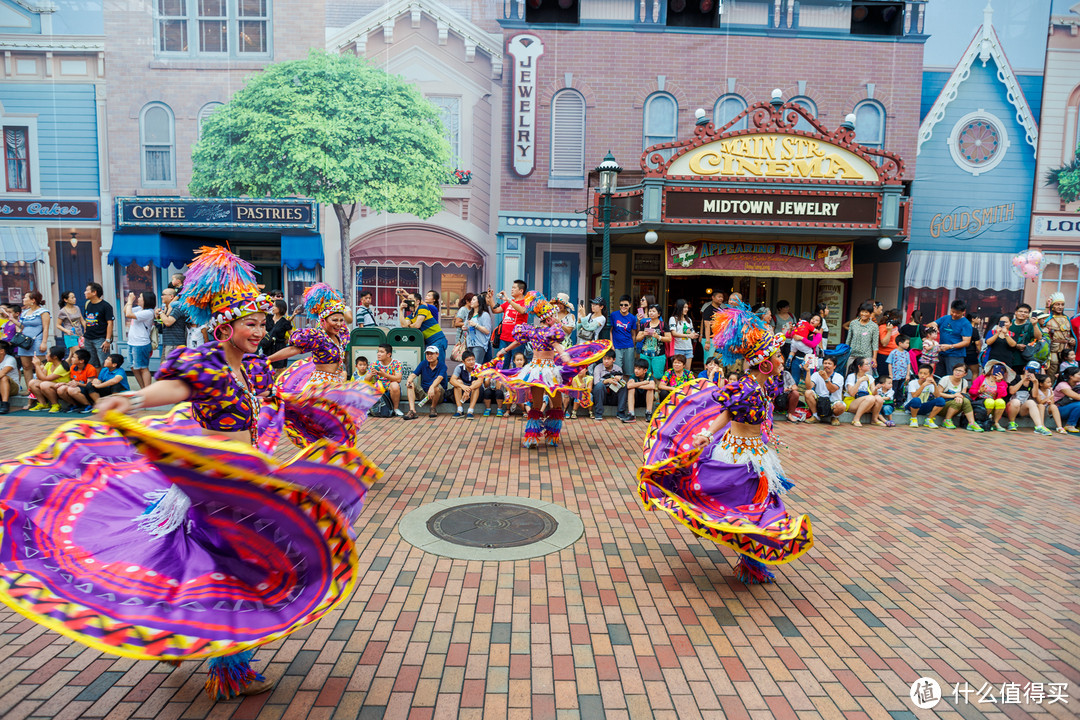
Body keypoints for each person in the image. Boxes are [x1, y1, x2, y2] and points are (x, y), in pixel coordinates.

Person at [0, 246, 379, 701]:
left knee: (213, 569)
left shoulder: (256, 369)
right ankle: (230, 669)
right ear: (225, 328)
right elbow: (174, 388)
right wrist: (133, 400)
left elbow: (272, 408)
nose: (260, 332)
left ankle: (176, 637)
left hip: (246, 482)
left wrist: (324, 408)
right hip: (212, 489)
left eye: (262, 323)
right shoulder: (204, 363)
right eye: (250, 325)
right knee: (231, 575)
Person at [639, 303, 813, 584]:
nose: (781, 359)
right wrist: (707, 433)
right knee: (742, 505)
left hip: (758, 455)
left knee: (758, 506)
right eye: (777, 356)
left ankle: (751, 563)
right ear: (766, 363)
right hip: (737, 454)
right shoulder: (743, 387)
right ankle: (716, 529)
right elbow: (727, 412)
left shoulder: (765, 386)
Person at [487, 295, 608, 445]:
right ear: (548, 318)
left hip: (536, 371)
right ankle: (551, 437)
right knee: (556, 405)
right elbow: (558, 347)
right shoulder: (550, 332)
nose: (554, 318)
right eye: (552, 316)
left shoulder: (532, 331)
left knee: (536, 405)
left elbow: (518, 341)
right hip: (548, 372)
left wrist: (504, 350)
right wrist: (566, 358)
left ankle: (532, 438)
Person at [268, 284, 349, 390]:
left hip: (337, 384)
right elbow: (293, 350)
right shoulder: (319, 337)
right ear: (323, 321)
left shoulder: (341, 335)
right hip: (321, 386)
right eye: (334, 320)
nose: (339, 324)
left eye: (341, 320)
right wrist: (268, 359)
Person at [985, 304, 1041, 375]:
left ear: (1028, 314)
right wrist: (1016, 345)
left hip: (1022, 359)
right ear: (1016, 312)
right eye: (1020, 311)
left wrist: (1035, 325)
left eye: (1025, 312)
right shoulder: (1008, 323)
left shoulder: (1031, 324)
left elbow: (1039, 338)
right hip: (1005, 357)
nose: (1023, 313)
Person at [63, 351, 128, 412]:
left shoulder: (120, 371)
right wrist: (96, 381)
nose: (105, 360)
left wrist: (99, 385)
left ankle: (114, 406)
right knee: (90, 385)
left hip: (119, 392)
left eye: (108, 359)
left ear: (114, 364)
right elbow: (99, 380)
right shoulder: (104, 369)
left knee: (116, 385)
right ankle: (99, 406)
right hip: (107, 390)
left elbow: (114, 381)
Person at [13, 291, 51, 391]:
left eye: (25, 297)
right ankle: (30, 390)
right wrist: (12, 320)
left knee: (40, 365)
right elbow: (22, 326)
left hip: (37, 341)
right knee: (26, 366)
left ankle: (42, 388)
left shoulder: (43, 312)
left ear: (33, 300)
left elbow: (46, 328)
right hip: (24, 342)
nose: (23, 299)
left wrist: (44, 342)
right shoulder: (25, 312)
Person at [926, 300, 973, 376]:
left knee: (952, 377)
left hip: (955, 355)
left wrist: (950, 346)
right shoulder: (945, 318)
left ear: (963, 312)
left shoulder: (966, 324)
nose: (954, 314)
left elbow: (966, 342)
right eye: (952, 311)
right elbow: (929, 325)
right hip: (941, 353)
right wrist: (934, 325)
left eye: (957, 313)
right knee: (938, 377)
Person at [401, 289, 448, 364]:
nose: (409, 302)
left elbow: (417, 325)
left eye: (429, 295)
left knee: (438, 365)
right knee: (429, 365)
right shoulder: (411, 315)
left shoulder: (424, 307)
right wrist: (400, 310)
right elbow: (404, 325)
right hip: (428, 341)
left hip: (437, 339)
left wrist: (409, 326)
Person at [1006, 361, 1052, 435]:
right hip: (1011, 407)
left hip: (1022, 409)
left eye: (1033, 371)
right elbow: (1012, 391)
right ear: (1024, 368)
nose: (1030, 372)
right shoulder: (1016, 377)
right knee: (1016, 401)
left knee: (1031, 402)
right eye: (1028, 369)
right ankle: (1011, 423)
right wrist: (1023, 379)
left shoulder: (1033, 381)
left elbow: (1034, 395)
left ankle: (1039, 427)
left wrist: (1035, 383)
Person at [491, 280, 530, 368]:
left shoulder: (526, 302)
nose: (511, 289)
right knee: (503, 364)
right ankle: (502, 381)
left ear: (521, 291)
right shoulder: (509, 302)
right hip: (503, 339)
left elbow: (522, 310)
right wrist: (490, 298)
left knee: (516, 365)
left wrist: (508, 300)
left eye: (514, 288)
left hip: (517, 340)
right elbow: (495, 310)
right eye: (512, 288)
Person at [124, 291, 156, 389]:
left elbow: (129, 314)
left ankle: (148, 391)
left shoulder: (148, 312)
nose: (138, 298)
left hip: (141, 344)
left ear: (146, 300)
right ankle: (143, 389)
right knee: (134, 368)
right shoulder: (139, 309)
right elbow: (125, 311)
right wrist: (129, 302)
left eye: (140, 297)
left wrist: (130, 300)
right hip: (132, 342)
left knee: (143, 368)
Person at [937, 362, 983, 432]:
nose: (957, 372)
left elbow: (963, 395)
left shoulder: (964, 382)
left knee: (965, 400)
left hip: (955, 407)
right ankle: (947, 420)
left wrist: (960, 397)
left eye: (960, 371)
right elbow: (938, 394)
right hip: (941, 406)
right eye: (956, 370)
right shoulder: (945, 379)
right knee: (957, 401)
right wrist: (953, 395)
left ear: (965, 374)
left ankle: (971, 423)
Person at [404, 346, 447, 420]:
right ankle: (412, 411)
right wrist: (409, 380)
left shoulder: (442, 365)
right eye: (427, 354)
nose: (429, 356)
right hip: (424, 393)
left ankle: (433, 408)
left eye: (432, 353)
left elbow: (439, 378)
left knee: (437, 387)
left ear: (437, 354)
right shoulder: (423, 363)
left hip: (437, 395)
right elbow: (414, 374)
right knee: (410, 385)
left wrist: (432, 387)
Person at [26, 345, 70, 413]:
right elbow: (40, 377)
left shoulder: (61, 367)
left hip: (61, 387)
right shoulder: (49, 364)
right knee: (32, 382)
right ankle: (43, 404)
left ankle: (55, 404)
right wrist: (38, 367)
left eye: (48, 353)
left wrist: (37, 365)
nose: (46, 355)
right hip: (51, 385)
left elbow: (45, 378)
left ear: (55, 356)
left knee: (44, 384)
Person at [971, 360, 1012, 432]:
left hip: (993, 403)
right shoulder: (981, 378)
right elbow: (971, 391)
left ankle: (995, 423)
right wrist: (979, 391)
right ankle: (983, 420)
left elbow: (1003, 395)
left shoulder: (1003, 383)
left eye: (1001, 370)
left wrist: (999, 382)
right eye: (995, 368)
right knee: (990, 401)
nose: (997, 371)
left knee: (1001, 402)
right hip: (980, 402)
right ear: (991, 369)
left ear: (1004, 373)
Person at [845, 356, 885, 427]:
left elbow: (873, 393)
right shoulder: (851, 376)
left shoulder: (870, 377)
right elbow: (852, 393)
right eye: (866, 364)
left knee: (879, 398)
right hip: (852, 402)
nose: (869, 365)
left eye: (868, 364)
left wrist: (876, 389)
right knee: (871, 398)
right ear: (859, 367)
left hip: (867, 402)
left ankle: (874, 419)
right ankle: (856, 419)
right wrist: (859, 381)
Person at [365, 343, 403, 416]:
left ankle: (396, 409)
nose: (378, 354)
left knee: (395, 385)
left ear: (389, 354)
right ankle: (371, 409)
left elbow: (398, 379)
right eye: (378, 351)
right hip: (379, 388)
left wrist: (384, 375)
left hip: (391, 389)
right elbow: (366, 380)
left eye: (381, 352)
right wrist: (371, 375)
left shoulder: (396, 363)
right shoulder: (374, 364)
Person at [81, 282, 114, 368]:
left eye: (87, 290)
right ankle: (94, 380)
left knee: (105, 362)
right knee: (92, 363)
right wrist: (84, 334)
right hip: (88, 338)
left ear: (94, 292)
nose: (84, 292)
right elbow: (86, 320)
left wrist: (107, 340)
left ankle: (107, 381)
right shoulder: (87, 304)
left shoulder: (106, 306)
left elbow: (110, 323)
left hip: (100, 339)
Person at [55, 347, 97, 412]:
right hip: (77, 387)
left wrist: (78, 384)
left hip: (87, 390)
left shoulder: (90, 369)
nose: (71, 359)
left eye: (74, 357)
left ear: (81, 361)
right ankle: (74, 405)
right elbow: (73, 381)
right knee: (61, 389)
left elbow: (89, 386)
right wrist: (65, 383)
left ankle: (88, 405)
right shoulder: (73, 367)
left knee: (71, 390)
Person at [1043, 293, 1075, 378]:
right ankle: (1050, 386)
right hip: (1053, 347)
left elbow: (1071, 333)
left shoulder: (1067, 318)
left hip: (1065, 347)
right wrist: (1047, 307)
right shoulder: (1048, 318)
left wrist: (1072, 339)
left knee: (1067, 367)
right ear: (1053, 305)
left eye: (1062, 305)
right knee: (1053, 365)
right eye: (1057, 304)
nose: (1060, 307)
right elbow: (1042, 328)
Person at [591, 350, 628, 421]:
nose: (606, 361)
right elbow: (596, 382)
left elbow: (622, 382)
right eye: (604, 359)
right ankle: (598, 413)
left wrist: (619, 379)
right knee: (599, 386)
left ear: (614, 360)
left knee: (623, 385)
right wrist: (607, 381)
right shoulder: (598, 368)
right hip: (602, 396)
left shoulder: (618, 368)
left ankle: (621, 412)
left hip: (614, 395)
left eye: (608, 359)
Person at [636, 304, 670, 381]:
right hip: (645, 354)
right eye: (650, 311)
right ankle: (648, 391)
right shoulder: (645, 325)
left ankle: (657, 391)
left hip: (659, 354)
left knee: (658, 375)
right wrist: (644, 334)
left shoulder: (663, 325)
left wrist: (658, 337)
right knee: (645, 374)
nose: (651, 313)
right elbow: (637, 338)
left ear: (659, 314)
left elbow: (669, 338)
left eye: (653, 311)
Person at [788, 313, 823, 385]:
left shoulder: (818, 334)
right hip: (797, 357)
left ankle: (809, 395)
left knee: (810, 382)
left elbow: (813, 344)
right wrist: (791, 329)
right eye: (813, 319)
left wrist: (801, 338)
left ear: (819, 324)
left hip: (811, 358)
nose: (813, 321)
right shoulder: (802, 327)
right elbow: (787, 335)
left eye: (816, 320)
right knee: (794, 380)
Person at [845, 302, 878, 375]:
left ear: (870, 313)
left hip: (866, 356)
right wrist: (846, 353)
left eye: (866, 312)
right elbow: (848, 339)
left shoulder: (874, 326)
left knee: (866, 377)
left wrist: (874, 358)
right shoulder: (853, 323)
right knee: (850, 376)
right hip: (852, 355)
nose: (864, 314)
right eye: (862, 311)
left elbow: (875, 343)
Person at [157, 287, 188, 360]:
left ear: (171, 297)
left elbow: (168, 322)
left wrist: (161, 313)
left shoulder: (177, 308)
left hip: (175, 344)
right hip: (168, 343)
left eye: (163, 294)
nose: (161, 296)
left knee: (171, 369)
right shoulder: (168, 308)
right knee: (164, 368)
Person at [450, 350, 483, 419]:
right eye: (468, 360)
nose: (471, 362)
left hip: (477, 394)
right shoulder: (459, 367)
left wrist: (468, 390)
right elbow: (452, 380)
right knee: (458, 382)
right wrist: (463, 387)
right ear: (463, 362)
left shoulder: (479, 367)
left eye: (473, 359)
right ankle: (460, 410)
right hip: (463, 395)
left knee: (475, 383)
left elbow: (480, 381)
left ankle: (470, 411)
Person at [611, 295, 638, 373]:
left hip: (629, 346)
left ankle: (626, 385)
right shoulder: (614, 315)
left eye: (626, 305)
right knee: (617, 370)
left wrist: (632, 346)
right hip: (616, 346)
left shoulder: (632, 318)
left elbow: (633, 333)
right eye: (621, 305)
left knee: (628, 371)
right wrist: (612, 345)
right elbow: (610, 331)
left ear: (630, 305)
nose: (623, 306)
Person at [263, 299, 293, 369]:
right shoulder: (268, 318)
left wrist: (287, 341)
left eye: (274, 306)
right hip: (267, 347)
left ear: (280, 308)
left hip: (280, 349)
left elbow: (293, 336)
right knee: (266, 368)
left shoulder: (285, 322)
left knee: (279, 370)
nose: (272, 308)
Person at [465, 293, 493, 363]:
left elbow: (487, 331)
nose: (471, 301)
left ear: (479, 302)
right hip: (469, 343)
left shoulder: (484, 315)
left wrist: (476, 325)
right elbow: (467, 326)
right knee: (469, 365)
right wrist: (465, 327)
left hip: (479, 344)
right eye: (471, 300)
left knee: (476, 365)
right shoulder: (470, 314)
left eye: (474, 300)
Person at [1054, 366, 1080, 432]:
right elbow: (1077, 396)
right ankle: (1069, 425)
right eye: (1079, 374)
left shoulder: (1077, 384)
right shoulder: (1062, 385)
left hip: (1071, 406)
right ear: (1071, 376)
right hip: (1059, 409)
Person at [701, 290, 726, 358]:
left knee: (717, 361)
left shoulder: (721, 310)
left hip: (718, 339)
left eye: (722, 297)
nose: (721, 299)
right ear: (713, 297)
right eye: (719, 297)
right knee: (709, 360)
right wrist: (707, 341)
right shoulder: (708, 310)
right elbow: (707, 326)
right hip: (710, 339)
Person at [877, 311, 900, 378]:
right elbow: (884, 343)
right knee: (884, 378)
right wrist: (889, 331)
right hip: (884, 356)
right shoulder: (883, 327)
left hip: (894, 355)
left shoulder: (895, 327)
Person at [0, 341, 20, 414]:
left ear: (2, 351)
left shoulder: (10, 359)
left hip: (12, 388)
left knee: (3, 377)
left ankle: (5, 404)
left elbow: (2, 372)